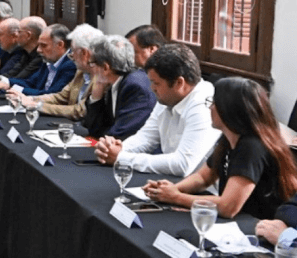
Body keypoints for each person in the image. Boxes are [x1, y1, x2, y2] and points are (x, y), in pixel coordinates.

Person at [143, 77, 297, 219]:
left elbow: (228, 207)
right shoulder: (229, 138)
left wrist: (175, 197)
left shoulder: (252, 147)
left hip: (258, 225)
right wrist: (172, 189)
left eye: (214, 103)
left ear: (229, 110)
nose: (210, 107)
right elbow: (203, 177)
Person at [94, 44, 220, 176]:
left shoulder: (205, 106)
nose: (152, 88)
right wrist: (115, 149)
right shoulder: (169, 96)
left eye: (156, 83)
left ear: (179, 83)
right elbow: (146, 137)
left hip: (197, 186)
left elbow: (183, 164)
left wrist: (122, 158)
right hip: (171, 181)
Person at [18, 24, 103, 120]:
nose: (71, 55)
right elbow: (60, 97)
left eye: (73, 51)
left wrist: (37, 105)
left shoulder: (101, 78)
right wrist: (29, 99)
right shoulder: (80, 72)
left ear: (85, 53)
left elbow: (80, 111)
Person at [80, 35, 157, 139]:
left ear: (106, 68)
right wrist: (96, 95)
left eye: (92, 63)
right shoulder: (115, 82)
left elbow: (120, 135)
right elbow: (94, 129)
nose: (91, 69)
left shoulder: (135, 86)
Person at [0, 24, 75, 96]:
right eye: (38, 45)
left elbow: (51, 95)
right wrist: (3, 81)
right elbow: (30, 82)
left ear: (60, 45)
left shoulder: (71, 65)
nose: (38, 50)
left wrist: (14, 89)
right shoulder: (49, 60)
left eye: (43, 45)